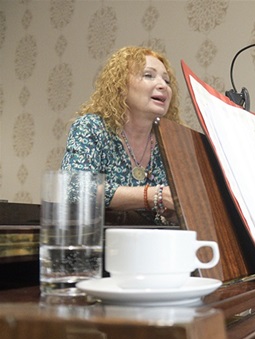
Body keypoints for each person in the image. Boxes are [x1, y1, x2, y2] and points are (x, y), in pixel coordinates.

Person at [61, 46, 182, 225]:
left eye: (167, 80)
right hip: (97, 237)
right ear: (121, 86)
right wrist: (154, 196)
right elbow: (75, 189)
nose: (163, 85)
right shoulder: (92, 127)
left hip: (154, 240)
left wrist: (174, 215)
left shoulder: (172, 142)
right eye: (148, 75)